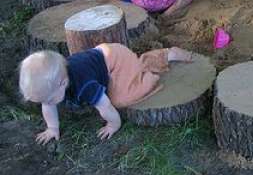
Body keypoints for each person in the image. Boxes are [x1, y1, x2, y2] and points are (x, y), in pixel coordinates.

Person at [18, 43, 194, 144]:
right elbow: (48, 106)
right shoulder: (54, 84)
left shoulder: (84, 85)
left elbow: (105, 105)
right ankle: (143, 64)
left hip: (117, 61)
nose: (47, 103)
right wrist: (52, 128)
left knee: (121, 98)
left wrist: (113, 124)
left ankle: (163, 57)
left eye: (49, 99)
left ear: (63, 83)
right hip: (104, 56)